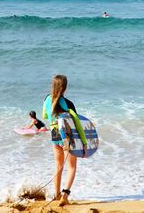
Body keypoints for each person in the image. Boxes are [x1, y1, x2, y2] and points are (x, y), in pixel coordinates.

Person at [42, 75, 87, 206]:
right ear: (65, 87)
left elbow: (45, 115)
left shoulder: (46, 99)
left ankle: (56, 194)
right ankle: (65, 195)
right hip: (67, 137)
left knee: (58, 166)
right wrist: (84, 143)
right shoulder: (68, 104)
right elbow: (77, 124)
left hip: (55, 135)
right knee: (71, 167)